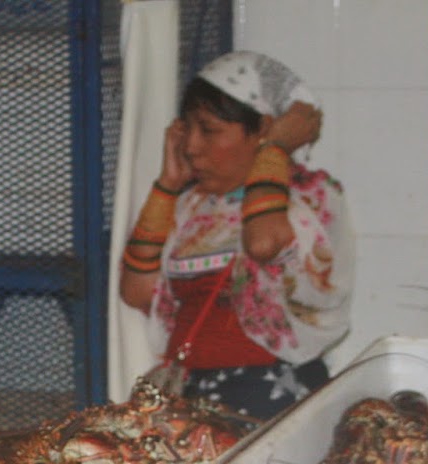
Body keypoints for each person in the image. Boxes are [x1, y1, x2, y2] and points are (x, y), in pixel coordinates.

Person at [120, 50, 355, 419]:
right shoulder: (193, 205)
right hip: (191, 394)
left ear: (263, 129)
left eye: (208, 130)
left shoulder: (309, 196)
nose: (191, 146)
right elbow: (137, 291)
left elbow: (262, 243)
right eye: (187, 129)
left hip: (269, 395)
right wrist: (167, 185)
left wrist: (274, 149)